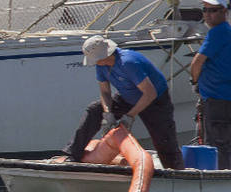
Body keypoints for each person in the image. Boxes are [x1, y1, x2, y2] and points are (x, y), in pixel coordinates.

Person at [63, 35, 185, 169]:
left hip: (154, 101)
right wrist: (108, 113)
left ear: (105, 56)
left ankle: (175, 170)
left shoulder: (128, 62)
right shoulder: (101, 65)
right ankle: (73, 154)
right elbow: (105, 92)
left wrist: (129, 116)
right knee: (95, 109)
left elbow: (150, 93)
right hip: (127, 96)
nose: (95, 63)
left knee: (163, 139)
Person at [190, 0, 231, 169]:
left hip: (219, 97)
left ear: (224, 12)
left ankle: (222, 176)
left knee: (219, 142)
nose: (207, 14)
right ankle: (223, 172)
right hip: (219, 97)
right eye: (205, 10)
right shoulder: (221, 32)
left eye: (213, 10)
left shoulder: (218, 32)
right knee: (218, 141)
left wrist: (194, 82)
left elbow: (197, 62)